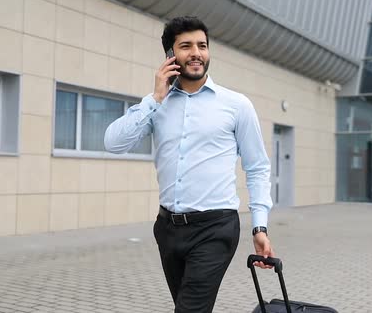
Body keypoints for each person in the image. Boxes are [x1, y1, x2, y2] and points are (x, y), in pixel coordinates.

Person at [104, 16, 275, 312]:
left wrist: (260, 225)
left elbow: (257, 167)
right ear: (170, 55)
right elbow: (114, 143)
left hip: (215, 228)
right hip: (168, 228)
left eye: (202, 45)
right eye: (186, 46)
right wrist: (155, 97)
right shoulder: (156, 104)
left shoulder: (236, 105)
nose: (196, 52)